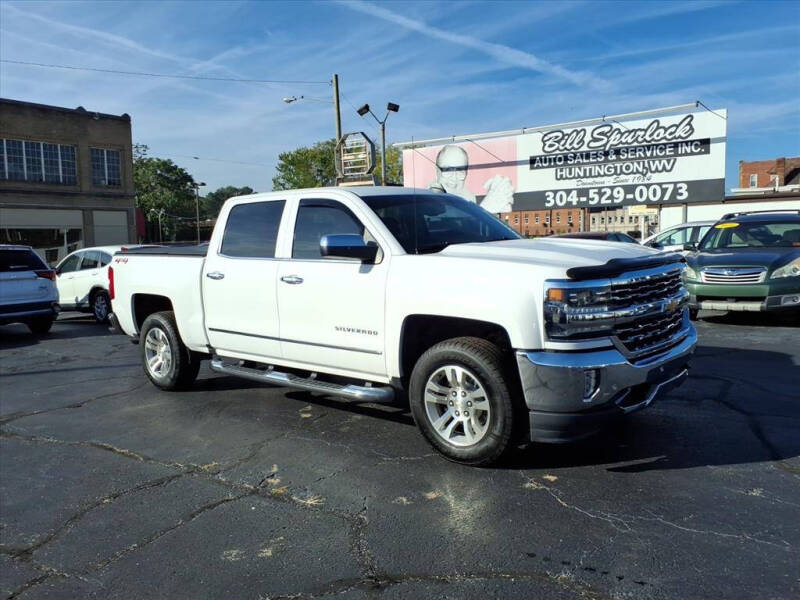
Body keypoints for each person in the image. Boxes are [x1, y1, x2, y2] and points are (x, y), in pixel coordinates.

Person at [430, 145, 514, 213]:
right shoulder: (424, 203)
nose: (454, 180)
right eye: (447, 170)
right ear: (437, 171)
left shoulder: (469, 198)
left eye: (460, 171)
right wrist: (485, 210)